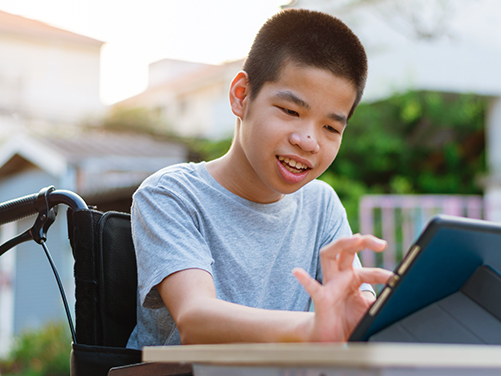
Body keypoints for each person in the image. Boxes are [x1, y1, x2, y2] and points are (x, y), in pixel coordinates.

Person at [126, 8, 392, 349]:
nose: (308, 141)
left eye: (330, 127)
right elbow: (196, 320)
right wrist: (317, 329)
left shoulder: (321, 205)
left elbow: (354, 316)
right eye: (291, 111)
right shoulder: (170, 195)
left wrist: (361, 320)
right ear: (241, 96)